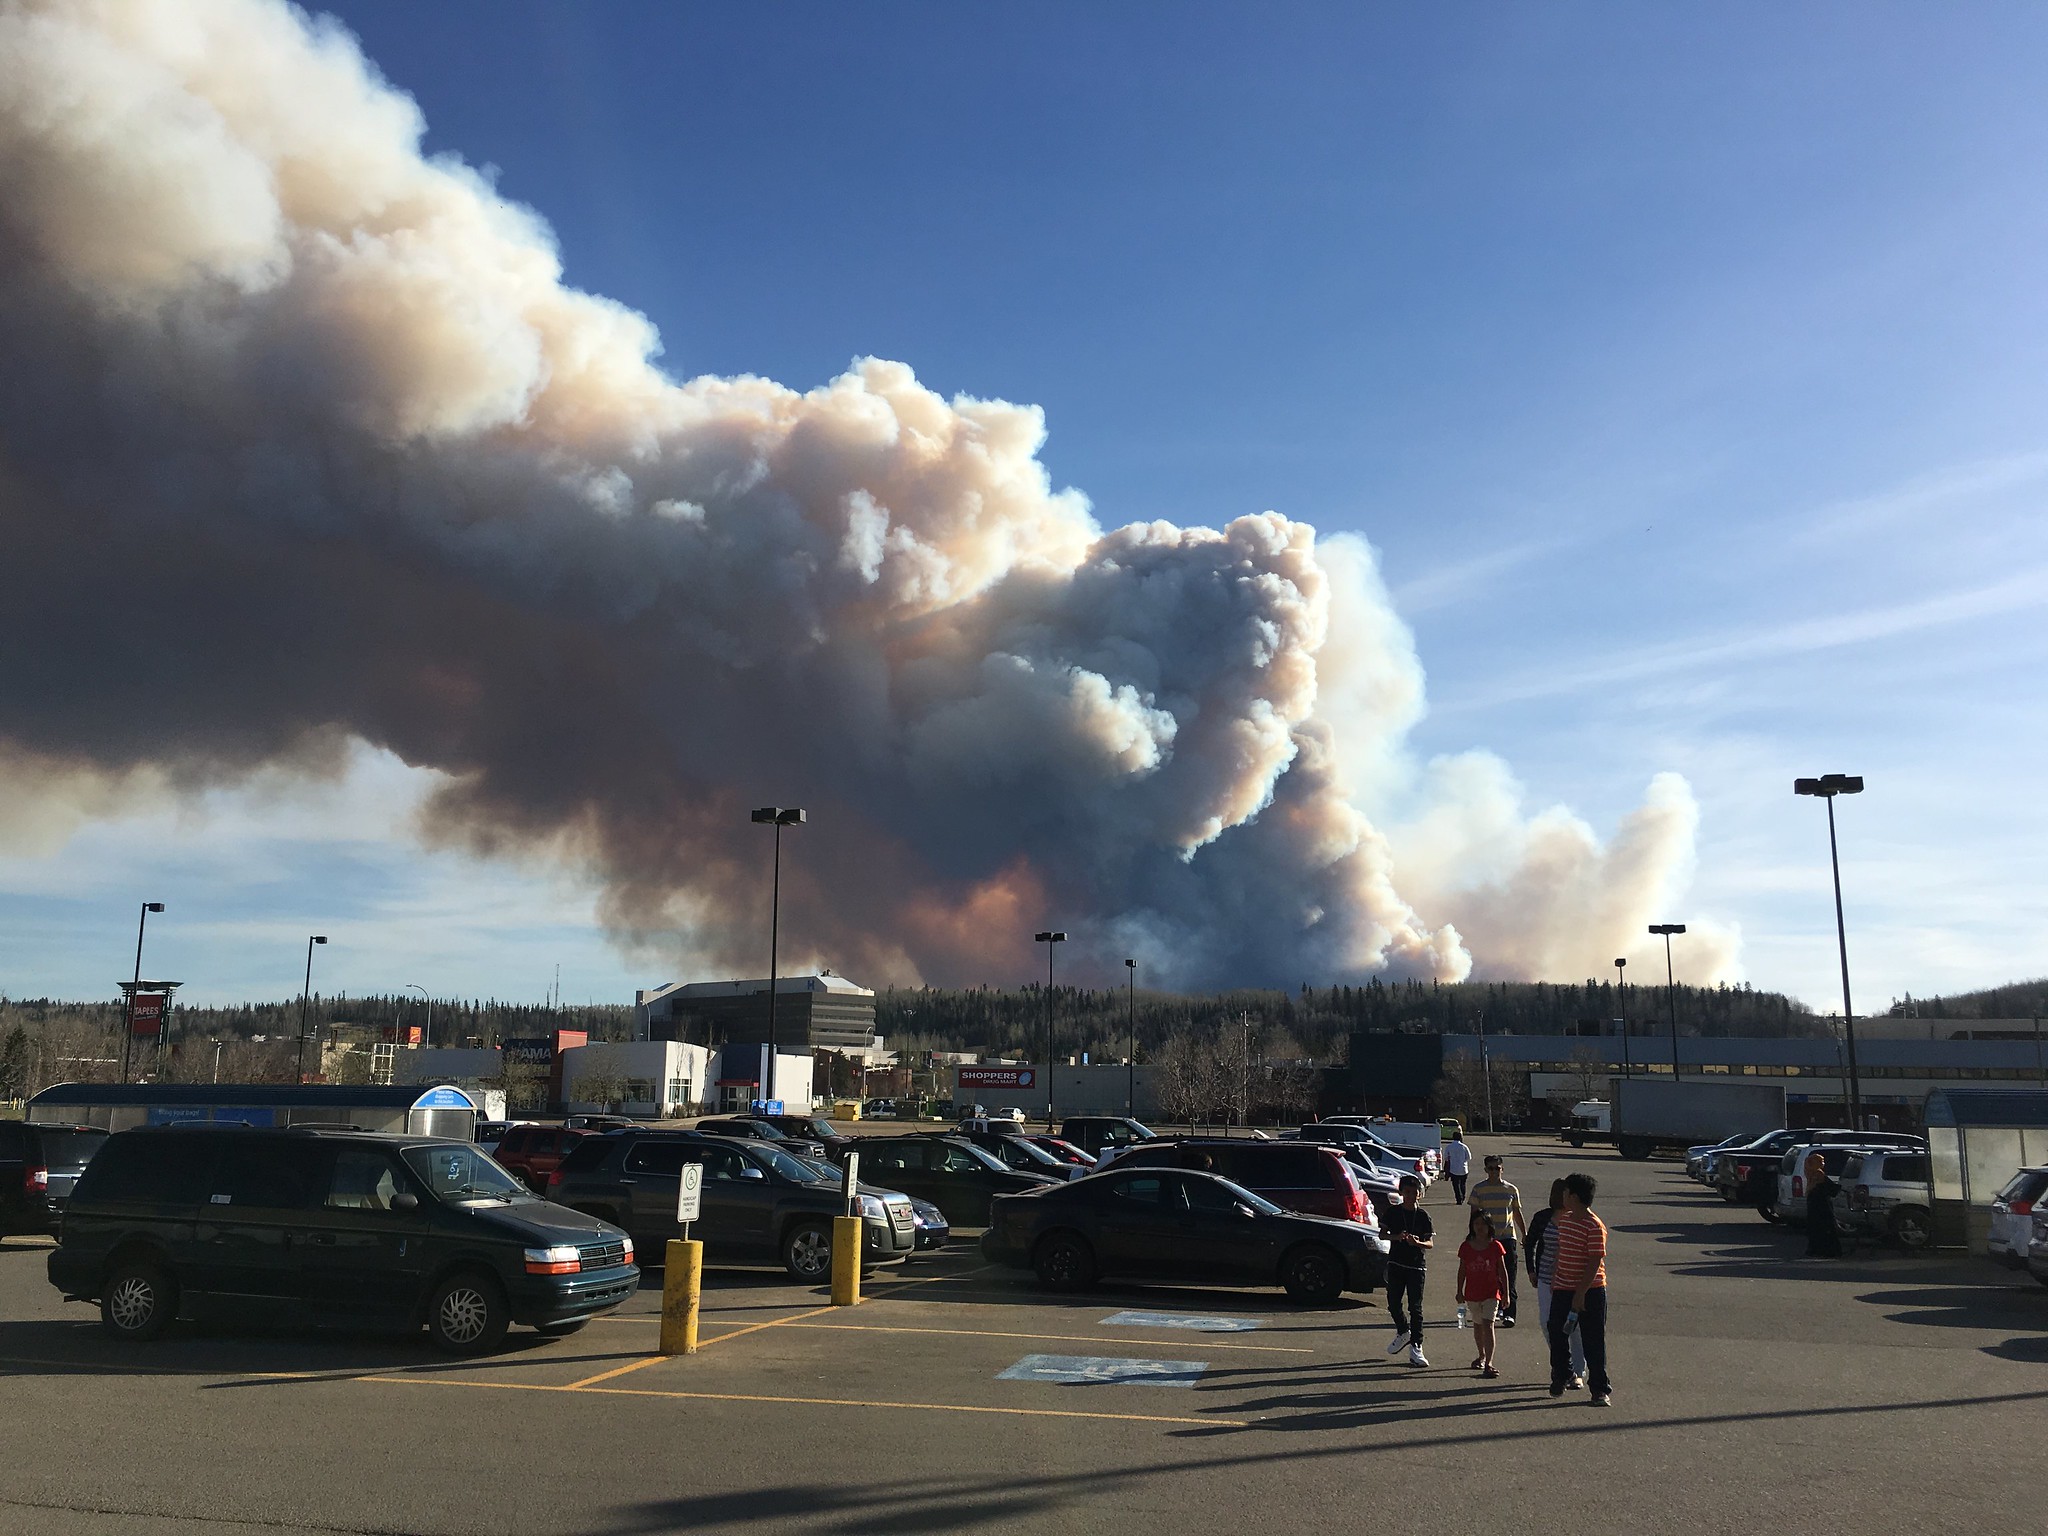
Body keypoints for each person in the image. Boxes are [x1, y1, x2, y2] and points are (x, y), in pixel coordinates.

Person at [1547, 1172, 1611, 1407]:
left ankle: (1600, 1389)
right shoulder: (1565, 1220)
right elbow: (1561, 1252)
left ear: (1574, 1196)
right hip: (1563, 1287)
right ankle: (1562, 1373)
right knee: (1556, 1330)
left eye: (1566, 1192)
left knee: (1593, 1339)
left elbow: (1594, 1261)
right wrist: (1555, 1277)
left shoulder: (1594, 1225)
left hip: (1591, 1290)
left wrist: (1581, 1293)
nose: (1562, 1196)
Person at [1525, 1178, 1586, 1390]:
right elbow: (1529, 1243)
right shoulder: (1543, 1217)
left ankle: (1577, 1372)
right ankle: (1562, 1364)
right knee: (1547, 1323)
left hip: (1570, 1279)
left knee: (1573, 1326)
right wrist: (1531, 1270)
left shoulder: (1577, 1218)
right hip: (1544, 1276)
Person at [1381, 1174, 1432, 1368]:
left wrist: (1417, 1242)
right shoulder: (1393, 1213)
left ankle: (1416, 1346)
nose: (1411, 1196)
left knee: (1415, 1308)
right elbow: (1382, 1234)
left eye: (1414, 1192)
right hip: (1396, 1263)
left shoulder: (1423, 1216)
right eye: (1407, 1192)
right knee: (1393, 1303)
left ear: (1420, 1194)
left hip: (1416, 1266)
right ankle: (1403, 1332)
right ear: (1401, 1193)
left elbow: (1430, 1243)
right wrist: (1397, 1236)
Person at [1470, 1155, 1527, 1324]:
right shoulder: (1478, 1189)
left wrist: (1525, 1234)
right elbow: (1474, 1215)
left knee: (1509, 1275)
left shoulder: (1511, 1190)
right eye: (1491, 1168)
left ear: (1502, 1169)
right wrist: (1473, 1237)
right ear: (1486, 1170)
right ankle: (1496, 1309)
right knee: (1490, 1276)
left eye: (1497, 1168)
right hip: (1487, 1240)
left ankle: (1510, 1312)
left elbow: (1516, 1213)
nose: (1494, 1172)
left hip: (1507, 1237)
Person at [1454, 1208, 1509, 1378]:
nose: (1480, 1228)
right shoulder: (1466, 1247)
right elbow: (1462, 1270)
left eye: (1483, 1224)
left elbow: (1503, 1271)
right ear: (1472, 1226)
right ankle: (1481, 1355)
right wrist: (1459, 1291)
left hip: (1492, 1293)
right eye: (1476, 1224)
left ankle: (1489, 1362)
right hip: (1472, 1293)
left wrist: (1506, 1294)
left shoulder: (1495, 1246)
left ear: (1489, 1227)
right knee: (1477, 1326)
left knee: (1488, 1324)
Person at [1805, 1148, 1843, 1259]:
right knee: (1827, 1229)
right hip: (1822, 1206)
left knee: (1815, 1229)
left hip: (1813, 1205)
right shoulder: (1819, 1174)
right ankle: (1829, 1251)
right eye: (1821, 1161)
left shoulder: (1810, 1173)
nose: (1823, 1164)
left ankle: (1814, 1250)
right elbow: (1831, 1189)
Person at [1442, 1129, 1472, 1204]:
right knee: (1463, 1183)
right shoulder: (1464, 1147)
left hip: (1453, 1169)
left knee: (1456, 1185)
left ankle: (1459, 1198)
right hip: (1463, 1168)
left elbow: (1446, 1157)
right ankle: (1463, 1196)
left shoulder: (1449, 1147)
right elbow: (1469, 1157)